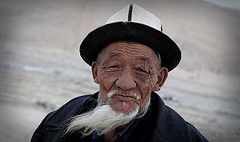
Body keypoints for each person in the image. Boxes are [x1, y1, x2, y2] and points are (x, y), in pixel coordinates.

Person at [31, 4, 208, 142]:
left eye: (141, 70)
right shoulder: (56, 124)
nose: (125, 83)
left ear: (159, 79)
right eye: (114, 66)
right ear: (95, 72)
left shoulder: (183, 137)